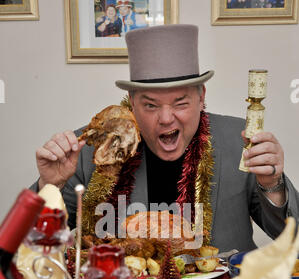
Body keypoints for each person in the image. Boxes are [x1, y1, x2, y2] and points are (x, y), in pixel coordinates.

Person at [32, 24, 299, 252]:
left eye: (180, 103)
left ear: (201, 97)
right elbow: (30, 248)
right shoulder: (90, 149)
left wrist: (272, 185)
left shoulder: (239, 141)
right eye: (150, 105)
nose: (166, 118)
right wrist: (49, 186)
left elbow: (293, 240)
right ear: (132, 104)